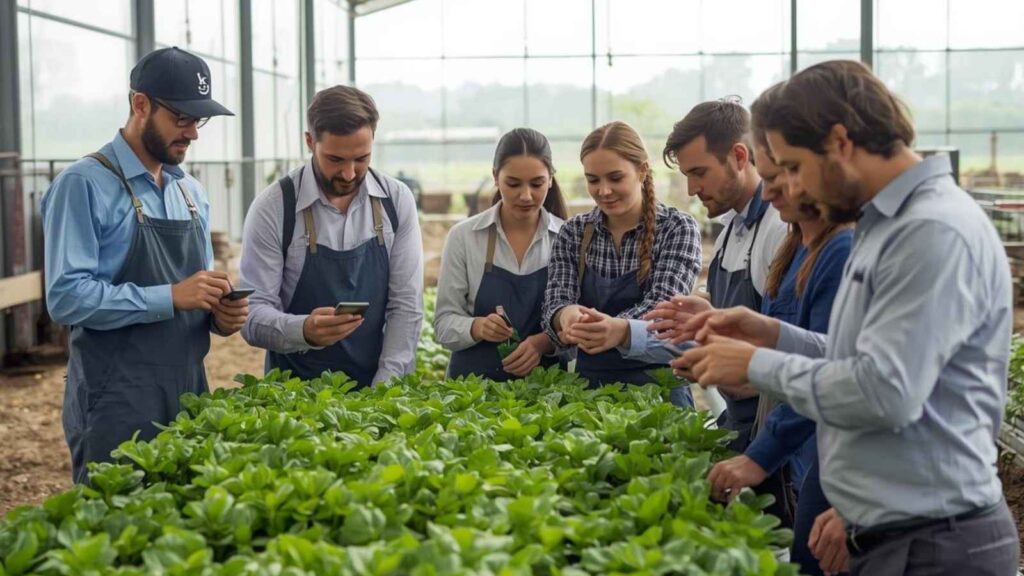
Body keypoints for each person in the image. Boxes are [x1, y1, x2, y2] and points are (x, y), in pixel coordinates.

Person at [676, 60, 1020, 576]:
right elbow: (860, 360)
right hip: (895, 533)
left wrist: (756, 365)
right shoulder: (888, 225)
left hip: (931, 547)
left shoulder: (930, 231)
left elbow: (885, 391)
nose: (789, 188)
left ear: (839, 141)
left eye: (792, 166)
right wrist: (773, 333)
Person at [42, 47, 241, 484]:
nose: (192, 134)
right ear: (140, 104)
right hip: (116, 398)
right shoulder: (83, 185)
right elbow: (65, 296)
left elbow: (195, 294)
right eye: (181, 118)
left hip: (189, 389)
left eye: (198, 120)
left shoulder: (190, 192)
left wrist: (220, 315)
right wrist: (169, 296)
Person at [704, 93, 853, 575]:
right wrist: (753, 333)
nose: (768, 194)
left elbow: (845, 376)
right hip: (811, 451)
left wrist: (761, 453)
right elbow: (819, 354)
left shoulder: (845, 248)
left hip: (838, 460)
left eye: (782, 174)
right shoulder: (797, 244)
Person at [240, 85, 423, 388]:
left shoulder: (396, 200)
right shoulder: (275, 207)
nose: (349, 174)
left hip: (378, 383)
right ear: (310, 142)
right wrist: (304, 330)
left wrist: (385, 388)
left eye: (361, 158)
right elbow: (252, 314)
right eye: (336, 160)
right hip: (292, 394)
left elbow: (406, 305)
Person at [655, 98, 789, 451]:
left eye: (699, 172)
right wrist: (708, 322)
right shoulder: (730, 228)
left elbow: (799, 356)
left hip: (775, 432)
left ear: (740, 157)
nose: (691, 189)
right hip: (741, 424)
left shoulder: (779, 230)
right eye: (686, 176)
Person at [541, 121, 702, 392]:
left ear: (642, 171)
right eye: (593, 180)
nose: (603, 191)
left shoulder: (677, 228)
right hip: (589, 387)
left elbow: (663, 309)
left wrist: (615, 329)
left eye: (615, 178)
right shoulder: (573, 232)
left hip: (657, 389)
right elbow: (555, 300)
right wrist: (565, 316)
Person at [435, 128, 567, 381]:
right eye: (513, 183)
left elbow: (576, 326)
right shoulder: (464, 236)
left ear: (550, 179)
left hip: (548, 395)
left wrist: (543, 342)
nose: (526, 195)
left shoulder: (566, 238)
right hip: (471, 393)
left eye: (537, 183)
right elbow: (443, 324)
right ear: (496, 177)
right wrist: (477, 327)